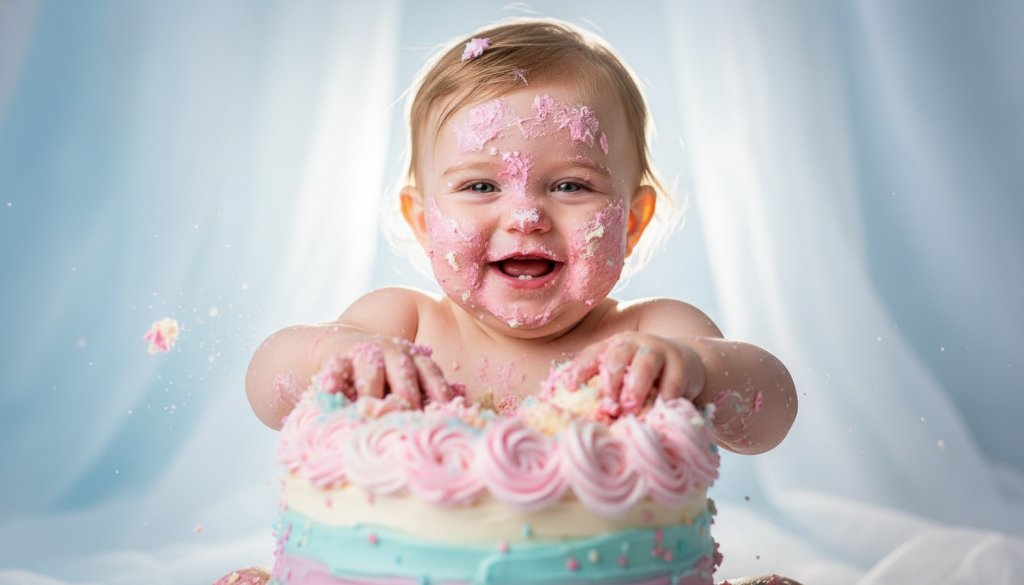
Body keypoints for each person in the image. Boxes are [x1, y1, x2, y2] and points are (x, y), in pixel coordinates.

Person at [237, 17, 799, 585]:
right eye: (481, 186)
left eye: (571, 186)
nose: (526, 217)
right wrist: (334, 351)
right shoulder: (401, 323)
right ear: (423, 220)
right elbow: (267, 386)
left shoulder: (651, 334)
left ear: (632, 221)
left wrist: (699, 369)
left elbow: (773, 411)